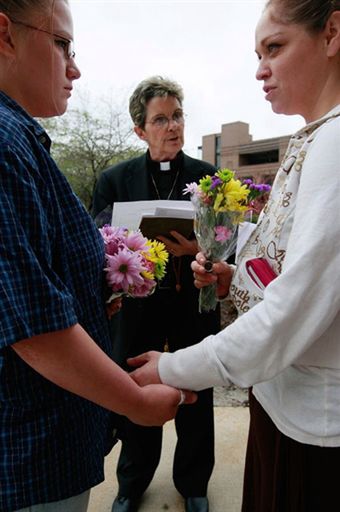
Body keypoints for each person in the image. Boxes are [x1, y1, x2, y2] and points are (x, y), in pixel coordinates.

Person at [128, 1, 340, 511]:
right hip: (281, 398)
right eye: (257, 53)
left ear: (332, 31)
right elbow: (286, 255)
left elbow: (290, 312)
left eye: (275, 47)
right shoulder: (316, 136)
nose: (260, 70)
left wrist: (174, 368)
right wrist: (232, 273)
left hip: (316, 420)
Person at [0, 3, 196, 512]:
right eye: (63, 44)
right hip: (33, 447)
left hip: (175, 314)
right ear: (5, 35)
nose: (75, 67)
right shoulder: (4, 145)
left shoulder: (20, 138)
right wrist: (132, 402)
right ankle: (133, 486)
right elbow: (32, 323)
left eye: (178, 116)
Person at [92, 76, 220, 512]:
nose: (173, 127)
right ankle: (131, 484)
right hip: (139, 308)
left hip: (192, 302)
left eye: (177, 116)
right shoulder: (115, 179)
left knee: (197, 394)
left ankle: (194, 485)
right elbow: (102, 240)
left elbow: (226, 241)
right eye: (161, 119)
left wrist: (203, 248)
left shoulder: (208, 177)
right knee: (138, 389)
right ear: (140, 130)